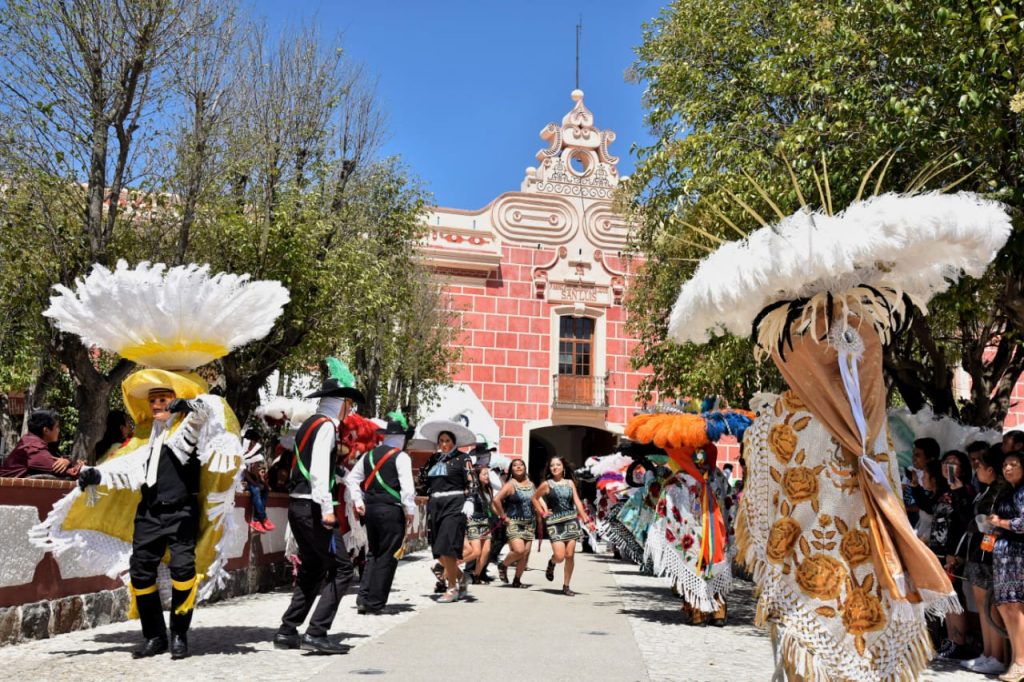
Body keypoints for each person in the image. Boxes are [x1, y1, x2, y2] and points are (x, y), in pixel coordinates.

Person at [274, 377, 363, 655]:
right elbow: (317, 472)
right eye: (348, 404)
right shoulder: (325, 427)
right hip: (313, 509)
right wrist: (327, 509)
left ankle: (288, 629)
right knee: (343, 569)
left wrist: (344, 479)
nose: (349, 410)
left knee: (312, 568)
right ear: (339, 403)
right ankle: (316, 631)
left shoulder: (307, 426)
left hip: (297, 507)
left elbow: (312, 466)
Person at [346, 418, 416, 615]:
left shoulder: (368, 455)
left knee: (373, 553)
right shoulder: (401, 457)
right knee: (387, 555)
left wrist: (358, 502)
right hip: (391, 509)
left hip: (370, 509)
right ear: (401, 438)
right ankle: (375, 603)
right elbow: (407, 489)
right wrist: (410, 511)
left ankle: (363, 597)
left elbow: (352, 479)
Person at [960, 445, 1009, 675]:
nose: (976, 469)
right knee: (982, 605)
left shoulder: (1000, 491)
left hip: (991, 554)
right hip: (978, 552)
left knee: (991, 605)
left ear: (990, 469)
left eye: (979, 465)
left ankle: (997, 655)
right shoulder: (986, 489)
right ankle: (987, 653)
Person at [416, 419, 477, 603]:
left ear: (454, 442)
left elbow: (471, 481)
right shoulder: (433, 459)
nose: (443, 444)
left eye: (447, 441)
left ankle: (452, 589)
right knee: (438, 550)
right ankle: (461, 577)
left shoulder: (462, 458)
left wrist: (471, 500)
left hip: (455, 504)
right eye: (441, 440)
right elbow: (423, 482)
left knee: (448, 547)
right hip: (435, 505)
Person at [532, 455, 595, 596]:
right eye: (552, 465)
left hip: (571, 521)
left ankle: (566, 586)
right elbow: (534, 498)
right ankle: (552, 562)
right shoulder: (546, 484)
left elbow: (577, 502)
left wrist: (586, 519)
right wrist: (542, 513)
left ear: (563, 468)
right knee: (560, 556)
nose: (555, 467)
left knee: (570, 555)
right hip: (554, 522)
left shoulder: (570, 483)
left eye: (558, 465)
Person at [987, 450, 1024, 682]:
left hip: (1018, 556)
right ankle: (1016, 659)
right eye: (1005, 465)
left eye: (1013, 464)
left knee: (1016, 607)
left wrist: (999, 522)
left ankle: (1021, 662)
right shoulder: (1007, 492)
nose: (1007, 468)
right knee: (1005, 607)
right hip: (1003, 556)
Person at [492, 458, 535, 588]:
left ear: (525, 467)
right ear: (511, 470)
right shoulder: (510, 484)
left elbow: (536, 500)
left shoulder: (531, 484)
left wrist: (543, 513)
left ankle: (517, 580)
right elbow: (496, 499)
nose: (518, 467)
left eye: (520, 465)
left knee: (525, 554)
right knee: (519, 550)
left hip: (529, 523)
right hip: (514, 522)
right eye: (515, 465)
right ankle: (503, 565)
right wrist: (503, 516)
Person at [0, 409, 78, 479]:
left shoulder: (32, 440)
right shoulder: (33, 447)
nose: (59, 430)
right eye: (57, 427)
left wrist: (67, 460)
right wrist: (71, 464)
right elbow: (65, 471)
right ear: (46, 430)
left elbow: (58, 459)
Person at [462, 466, 495, 584]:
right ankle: (451, 566)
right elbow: (467, 503)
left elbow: (490, 506)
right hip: (474, 522)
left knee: (486, 551)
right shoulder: (473, 489)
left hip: (485, 522)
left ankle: (476, 575)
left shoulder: (488, 489)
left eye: (487, 474)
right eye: (484, 474)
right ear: (478, 476)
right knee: (476, 552)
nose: (487, 476)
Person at [242, 430, 273, 533]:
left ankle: (256, 520)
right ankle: (263, 518)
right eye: (254, 442)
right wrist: (255, 483)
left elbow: (255, 472)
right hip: (241, 480)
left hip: (250, 479)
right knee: (255, 490)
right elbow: (244, 472)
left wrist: (262, 481)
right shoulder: (242, 451)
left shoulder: (254, 454)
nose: (256, 445)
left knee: (264, 489)